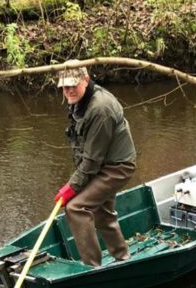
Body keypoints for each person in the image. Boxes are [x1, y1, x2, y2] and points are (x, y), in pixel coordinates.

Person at [53, 63, 136, 267]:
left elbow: (91, 160)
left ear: (86, 79)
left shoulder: (100, 109)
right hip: (101, 165)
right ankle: (123, 258)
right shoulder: (80, 100)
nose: (69, 91)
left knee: (76, 208)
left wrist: (71, 188)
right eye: (64, 87)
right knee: (102, 212)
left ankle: (92, 266)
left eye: (73, 85)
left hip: (117, 167)